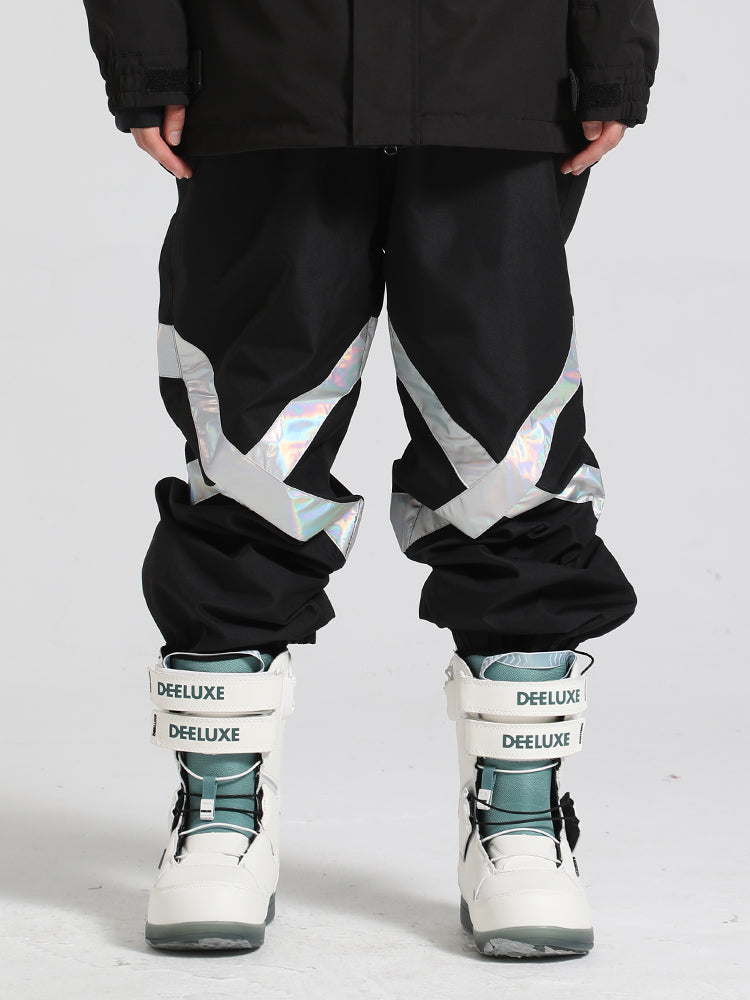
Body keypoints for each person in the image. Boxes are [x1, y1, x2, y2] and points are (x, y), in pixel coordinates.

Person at [82, 1, 659, 958]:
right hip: (266, 67)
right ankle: (221, 812)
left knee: (509, 452)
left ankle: (519, 818)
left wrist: (611, 52)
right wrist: (146, 57)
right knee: (250, 452)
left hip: (497, 68)